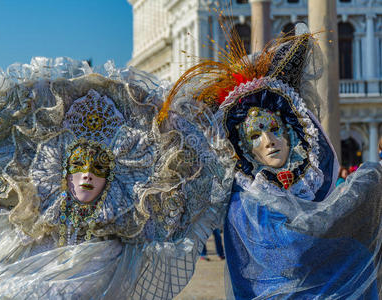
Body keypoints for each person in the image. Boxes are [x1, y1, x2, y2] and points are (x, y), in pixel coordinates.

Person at [0, 58, 229, 299]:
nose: (87, 175)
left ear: (114, 181)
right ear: (59, 173)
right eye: (78, 166)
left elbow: (52, 292)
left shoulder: (107, 248)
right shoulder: (39, 235)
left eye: (98, 168)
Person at [159, 23, 382, 299]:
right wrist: (356, 198)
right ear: (244, 147)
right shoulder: (247, 202)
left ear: (291, 132)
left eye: (275, 129)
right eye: (255, 135)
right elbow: (293, 253)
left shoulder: (311, 185)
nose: (268, 141)